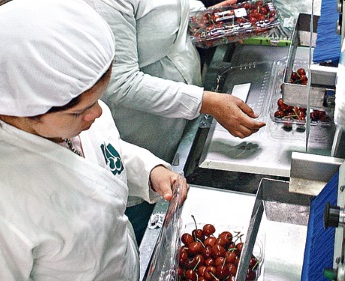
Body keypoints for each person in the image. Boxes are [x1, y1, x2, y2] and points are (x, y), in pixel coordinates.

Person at [0, 0, 188, 280]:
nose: (97, 112)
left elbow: (103, 152)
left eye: (97, 99)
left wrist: (149, 171)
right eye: (80, 111)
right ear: (25, 108)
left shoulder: (67, 117)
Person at [82, 0, 266, 244]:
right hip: (140, 137)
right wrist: (204, 102)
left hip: (177, 126)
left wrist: (209, 20)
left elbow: (172, 11)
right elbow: (120, 83)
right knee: (143, 234)